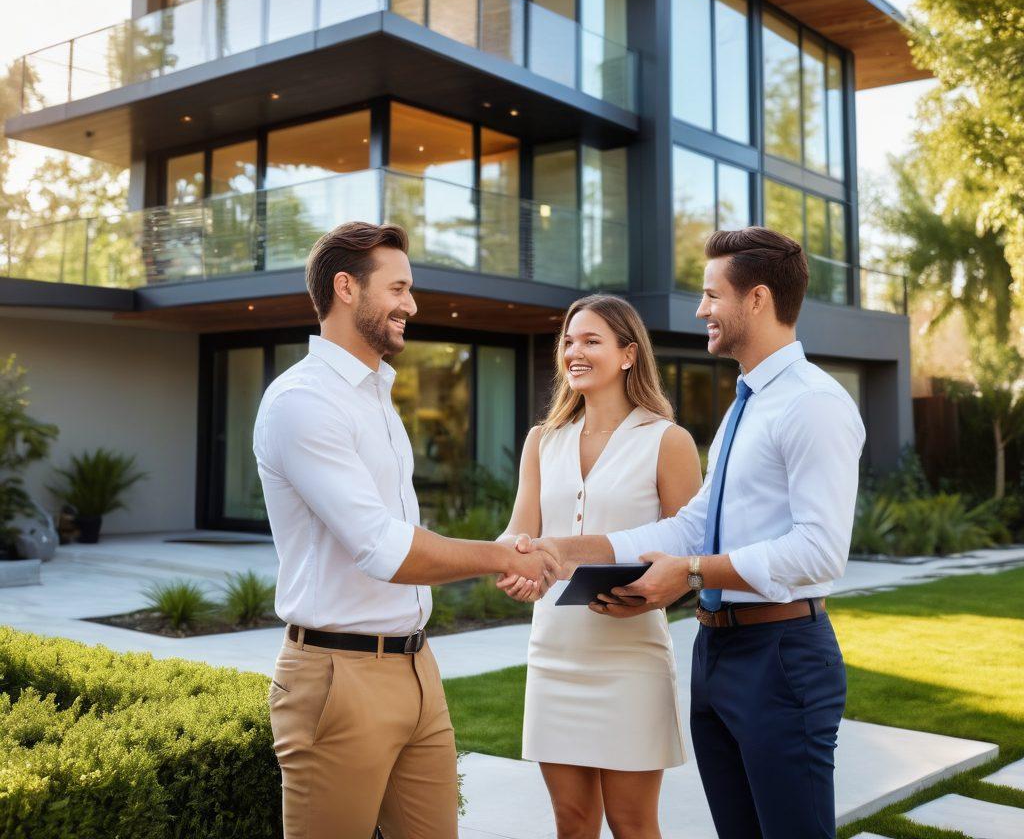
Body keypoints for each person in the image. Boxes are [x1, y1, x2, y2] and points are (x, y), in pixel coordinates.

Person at [515, 227, 866, 839]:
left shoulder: (813, 402)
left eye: (711, 295)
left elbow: (820, 550)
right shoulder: (746, 405)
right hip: (720, 651)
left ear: (757, 299)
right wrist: (562, 551)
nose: (701, 309)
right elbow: (692, 525)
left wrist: (694, 571)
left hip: (781, 653)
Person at [253, 221, 557, 839]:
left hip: (417, 665)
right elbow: (383, 549)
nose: (411, 305)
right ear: (346, 288)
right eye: (397, 289)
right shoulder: (303, 402)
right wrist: (503, 556)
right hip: (338, 676)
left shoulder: (376, 397)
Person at [496, 294, 703, 838]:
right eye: (569, 341)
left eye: (592, 340)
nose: (575, 352)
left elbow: (691, 549)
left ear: (629, 354)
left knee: (632, 823)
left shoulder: (668, 441)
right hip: (554, 654)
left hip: (631, 658)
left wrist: (661, 588)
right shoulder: (542, 440)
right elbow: (519, 529)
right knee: (571, 822)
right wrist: (511, 560)